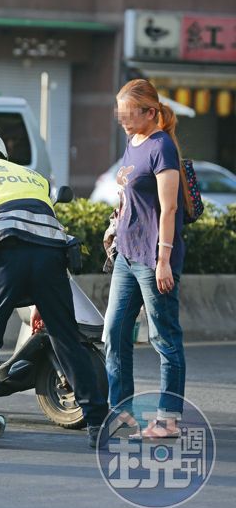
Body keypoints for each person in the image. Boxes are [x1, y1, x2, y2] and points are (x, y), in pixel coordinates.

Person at [0, 129, 108, 449]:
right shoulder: (34, 178)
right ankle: (98, 422)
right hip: (51, 260)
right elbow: (39, 230)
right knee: (66, 339)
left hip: (3, 257)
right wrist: (37, 303)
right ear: (1, 154)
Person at [104, 79, 187, 439]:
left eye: (129, 113)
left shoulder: (161, 147)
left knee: (164, 338)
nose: (122, 119)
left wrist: (164, 259)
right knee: (115, 332)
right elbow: (129, 196)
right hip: (126, 253)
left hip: (154, 257)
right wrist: (113, 224)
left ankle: (168, 420)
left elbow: (169, 208)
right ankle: (121, 410)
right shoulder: (133, 141)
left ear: (150, 112)